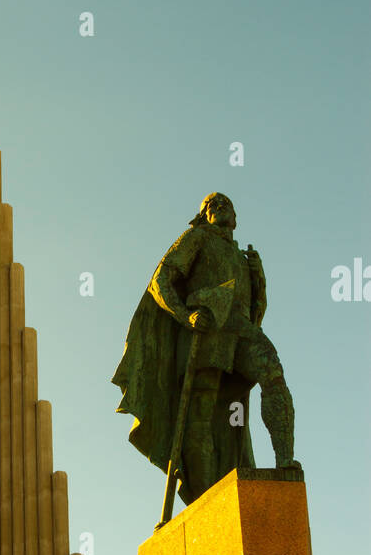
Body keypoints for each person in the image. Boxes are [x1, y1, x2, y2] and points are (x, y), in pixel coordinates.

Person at [112, 193, 301, 505]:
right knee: (201, 412)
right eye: (212, 204)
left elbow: (256, 311)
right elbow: (162, 280)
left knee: (272, 374)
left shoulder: (243, 258)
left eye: (226, 203)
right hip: (207, 329)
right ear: (202, 216)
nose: (221, 207)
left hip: (240, 329)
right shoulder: (196, 237)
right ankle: (209, 498)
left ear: (236, 217)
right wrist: (186, 316)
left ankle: (285, 461)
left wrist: (258, 279)